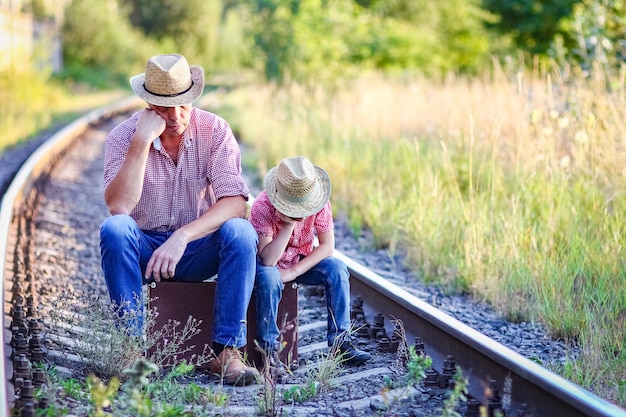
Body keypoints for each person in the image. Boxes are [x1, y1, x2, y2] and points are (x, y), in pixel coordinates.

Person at [99, 53, 259, 385]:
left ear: (192, 96)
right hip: (146, 253)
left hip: (198, 249)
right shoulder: (121, 137)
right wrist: (141, 142)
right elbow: (119, 207)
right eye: (164, 106)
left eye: (182, 104)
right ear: (147, 103)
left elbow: (235, 203)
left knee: (241, 232)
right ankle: (132, 353)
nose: (175, 116)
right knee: (115, 229)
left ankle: (227, 352)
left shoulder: (214, 130)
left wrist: (182, 236)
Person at [250, 156, 371, 375]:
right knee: (269, 278)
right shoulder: (263, 206)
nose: (302, 212)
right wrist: (287, 226)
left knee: (336, 268)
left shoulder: (318, 202)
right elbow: (267, 260)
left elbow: (327, 246)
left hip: (298, 261)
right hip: (269, 267)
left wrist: (294, 271)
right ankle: (269, 351)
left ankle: (341, 343)